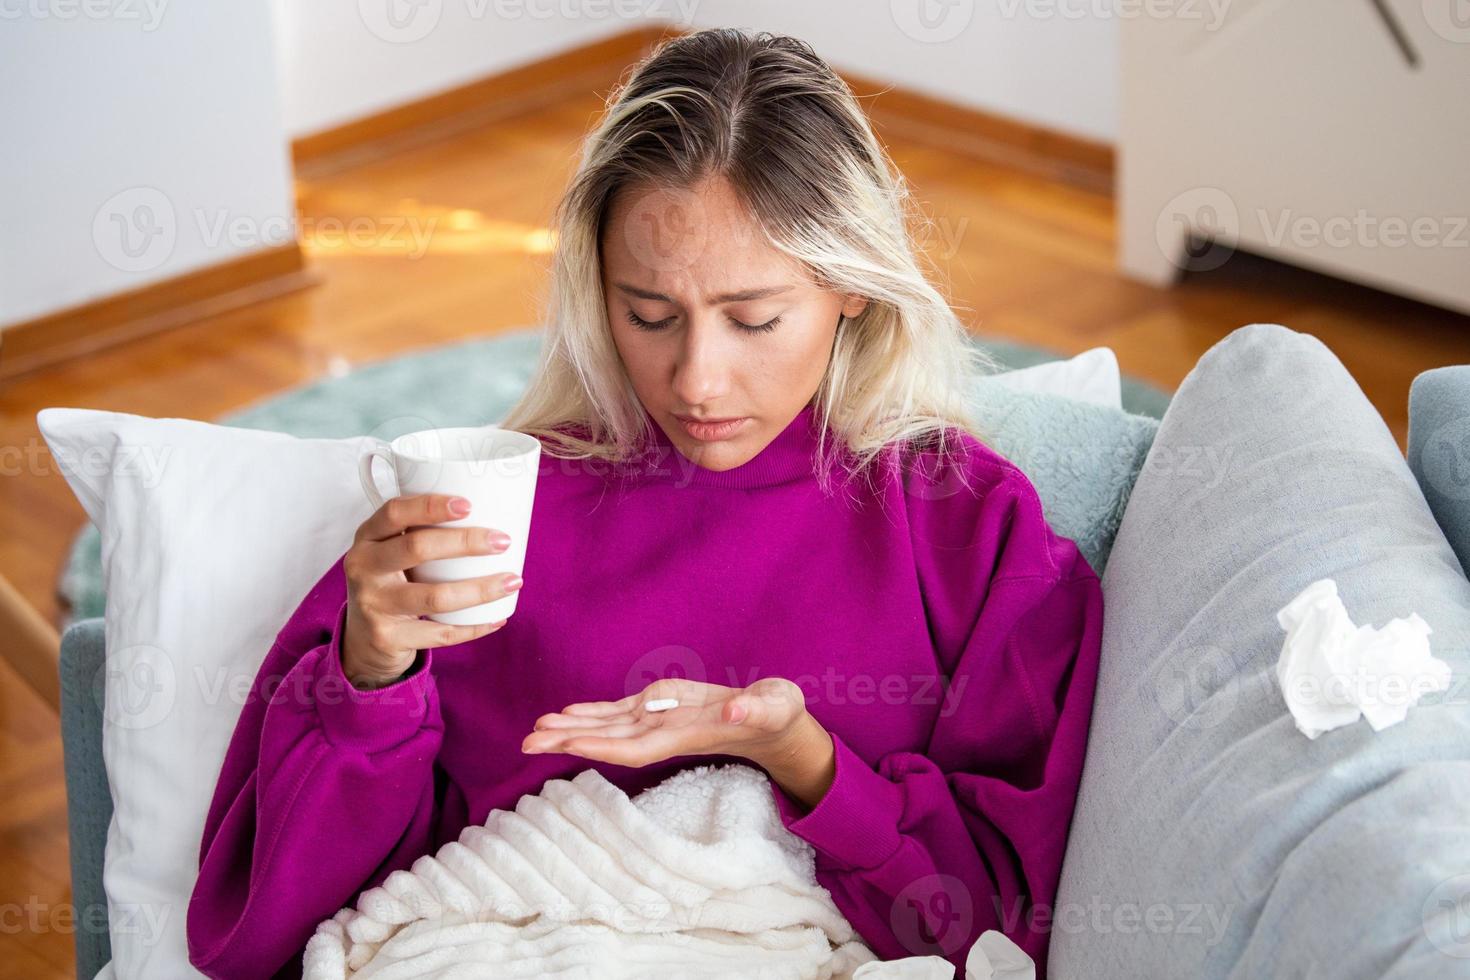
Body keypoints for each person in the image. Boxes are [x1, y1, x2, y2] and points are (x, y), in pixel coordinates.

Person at [186, 27, 1103, 979]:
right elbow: (271, 926)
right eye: (649, 315)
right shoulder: (493, 510)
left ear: (853, 289)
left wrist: (802, 757)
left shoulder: (964, 523)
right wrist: (369, 676)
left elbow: (996, 927)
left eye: (754, 318)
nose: (697, 380)